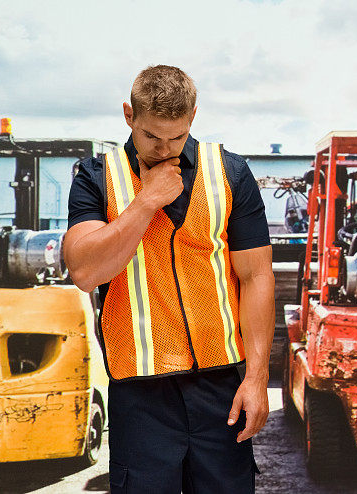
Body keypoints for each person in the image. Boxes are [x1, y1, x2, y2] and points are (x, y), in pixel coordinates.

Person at [63, 65, 274, 493]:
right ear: (129, 115)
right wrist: (146, 202)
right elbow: (85, 272)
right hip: (140, 395)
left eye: (176, 137)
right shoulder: (96, 176)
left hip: (222, 390)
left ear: (192, 117)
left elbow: (256, 277)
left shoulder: (230, 173)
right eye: (151, 137)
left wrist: (256, 379)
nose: (164, 149)